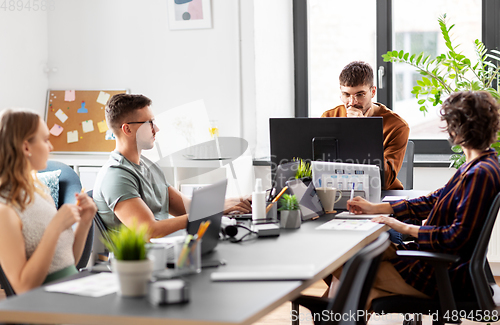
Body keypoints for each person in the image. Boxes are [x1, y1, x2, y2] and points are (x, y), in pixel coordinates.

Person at [342, 91, 500, 307]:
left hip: (441, 273)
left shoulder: (480, 173)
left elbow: (457, 237)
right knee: (359, 283)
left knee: (349, 270)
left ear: (456, 130)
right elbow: (433, 200)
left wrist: (403, 228)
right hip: (434, 262)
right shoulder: (477, 165)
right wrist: (376, 208)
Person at [93, 94, 251, 238]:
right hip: (141, 262)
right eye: (148, 123)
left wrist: (239, 200)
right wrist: (211, 212)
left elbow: (187, 207)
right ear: (127, 129)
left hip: (166, 247)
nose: (156, 129)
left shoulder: (147, 166)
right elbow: (149, 231)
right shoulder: (116, 176)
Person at [0, 109, 97, 294]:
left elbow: (69, 263)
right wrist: (55, 227)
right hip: (44, 307)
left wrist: (84, 222)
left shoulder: (40, 192)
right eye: (45, 140)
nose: (51, 147)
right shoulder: (5, 209)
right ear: (26, 147)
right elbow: (23, 288)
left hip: (69, 291)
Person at [321, 61, 409, 190]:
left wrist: (362, 130)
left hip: (381, 193)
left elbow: (385, 179)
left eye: (360, 95)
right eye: (346, 95)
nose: (352, 102)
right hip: (337, 190)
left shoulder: (397, 126)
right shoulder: (329, 117)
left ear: (373, 92)